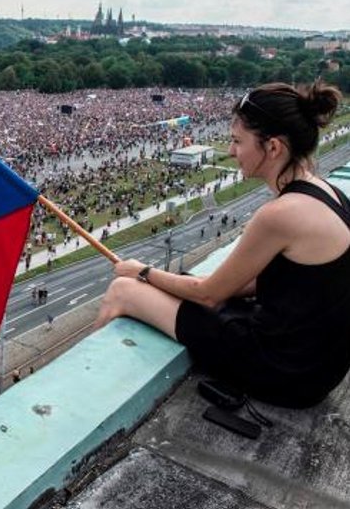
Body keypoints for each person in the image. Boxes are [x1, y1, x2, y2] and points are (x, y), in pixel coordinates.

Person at [96, 81, 350, 409]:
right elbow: (281, 283)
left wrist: (142, 271)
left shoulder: (280, 214)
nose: (231, 152)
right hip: (314, 370)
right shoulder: (329, 193)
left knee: (122, 289)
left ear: (273, 148)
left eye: (237, 141)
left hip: (285, 373)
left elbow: (208, 294)